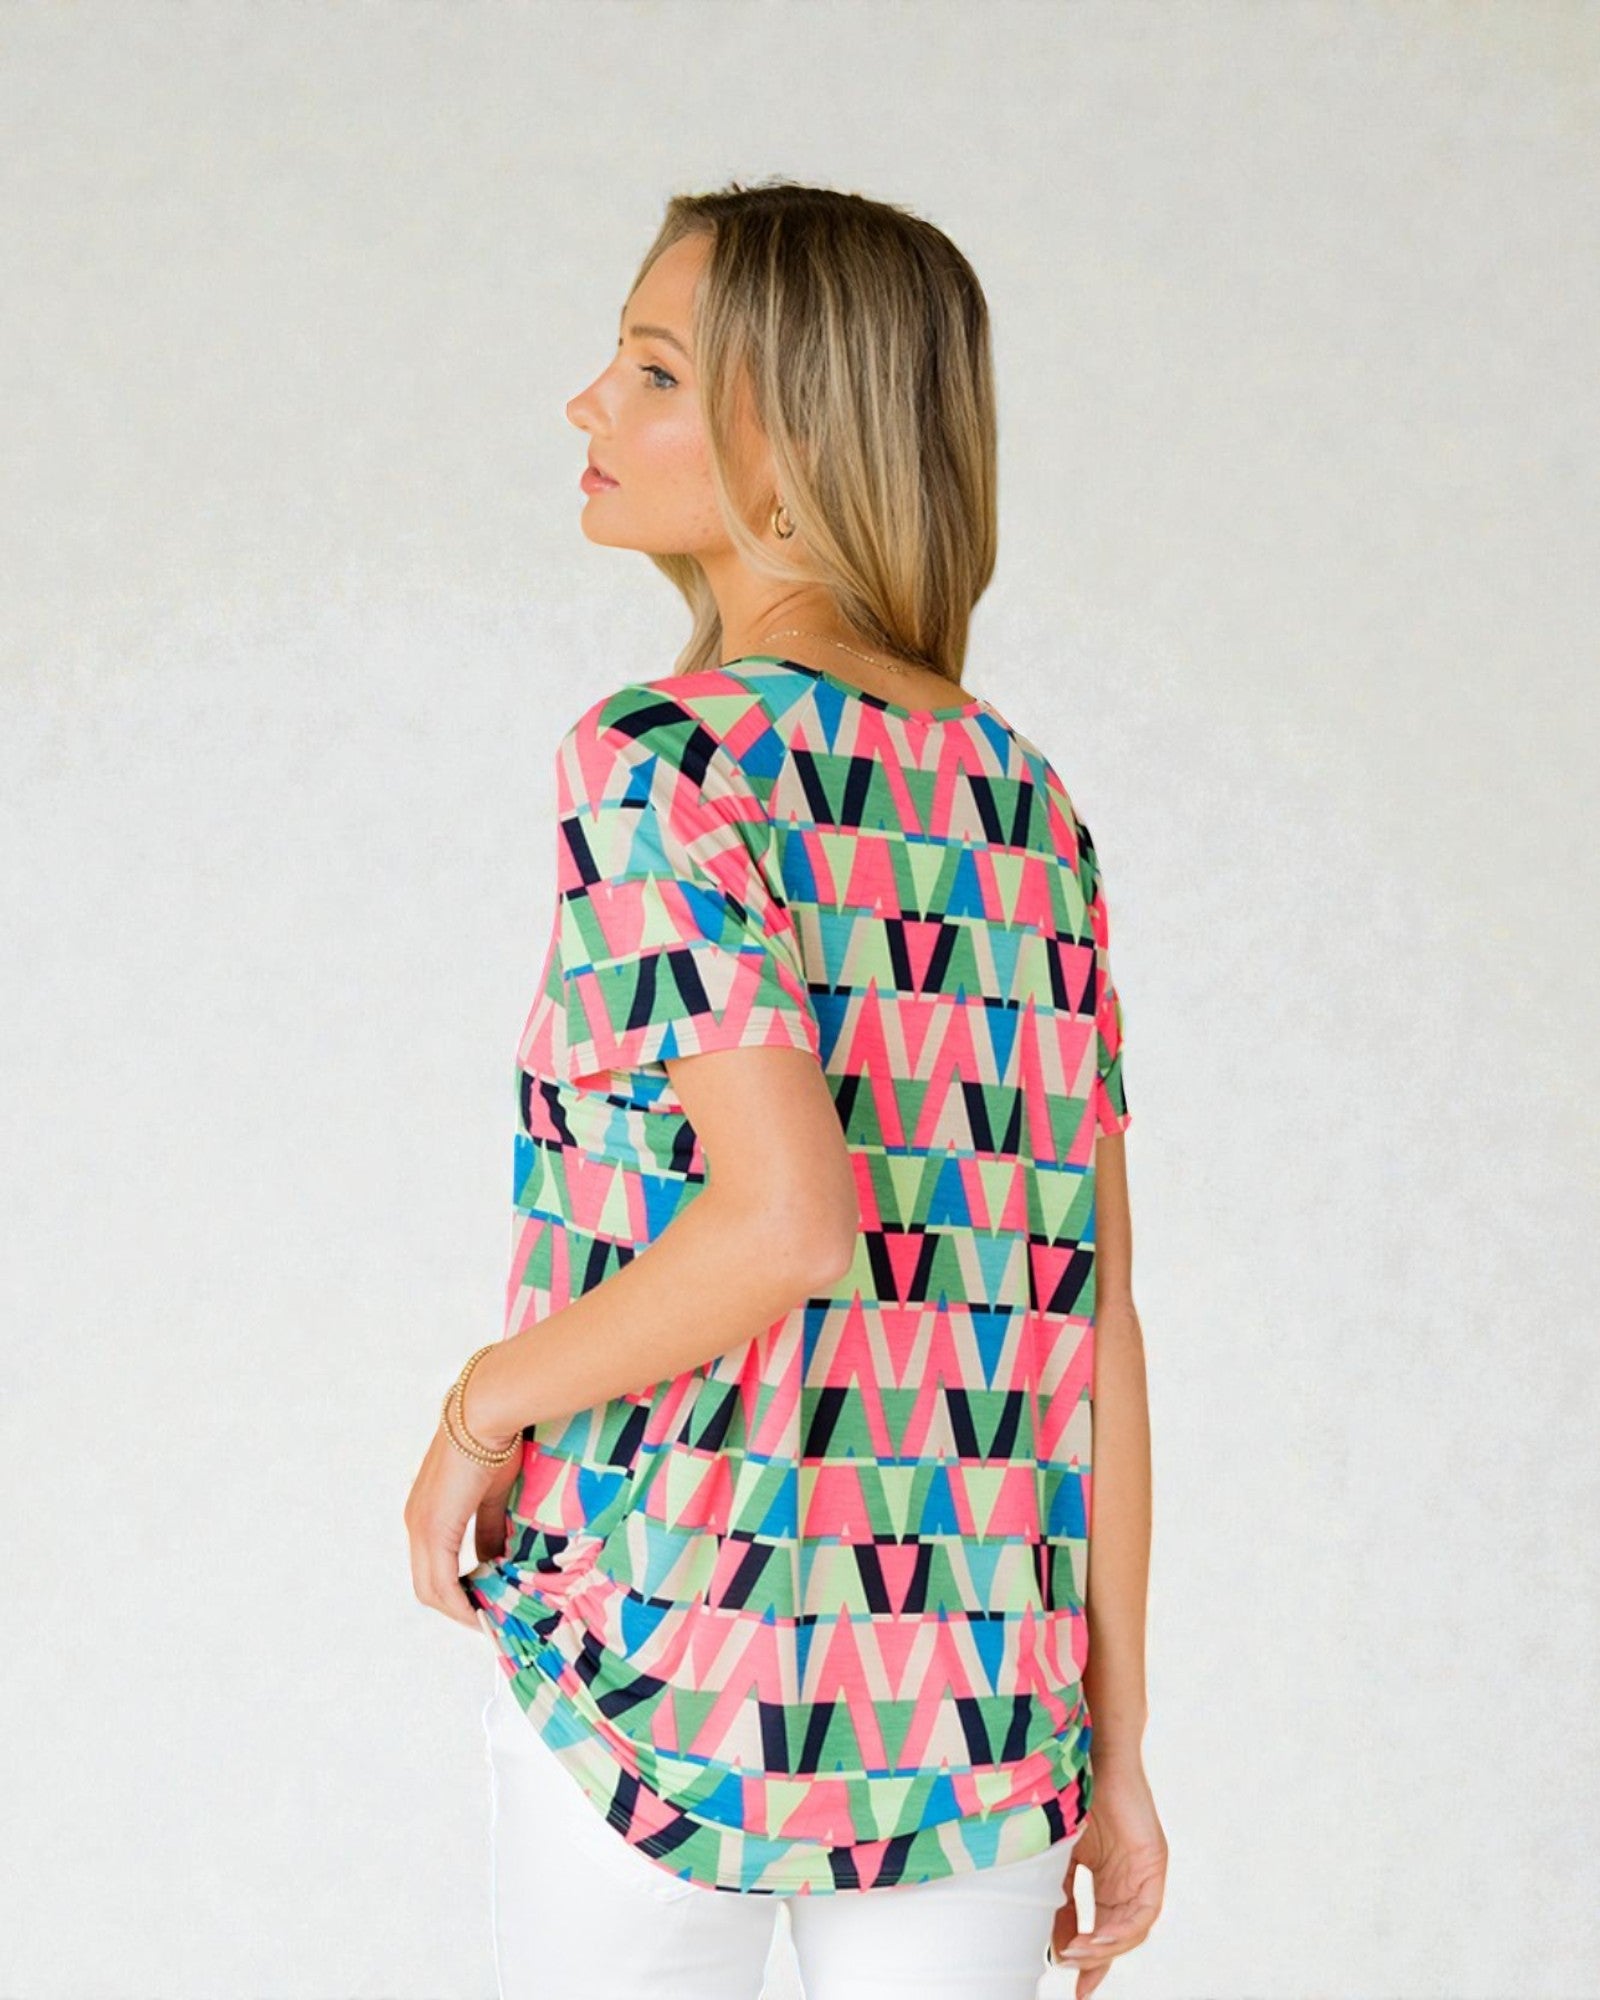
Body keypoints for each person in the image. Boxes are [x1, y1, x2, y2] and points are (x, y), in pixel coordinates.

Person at [403, 178, 1167, 2000]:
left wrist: (478, 1412)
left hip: (671, 1658)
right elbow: (1095, 1323)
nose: (588, 404)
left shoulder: (657, 761)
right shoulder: (1022, 803)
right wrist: (1115, 1754)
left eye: (653, 371)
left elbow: (782, 1221)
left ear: (786, 447)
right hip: (974, 1704)